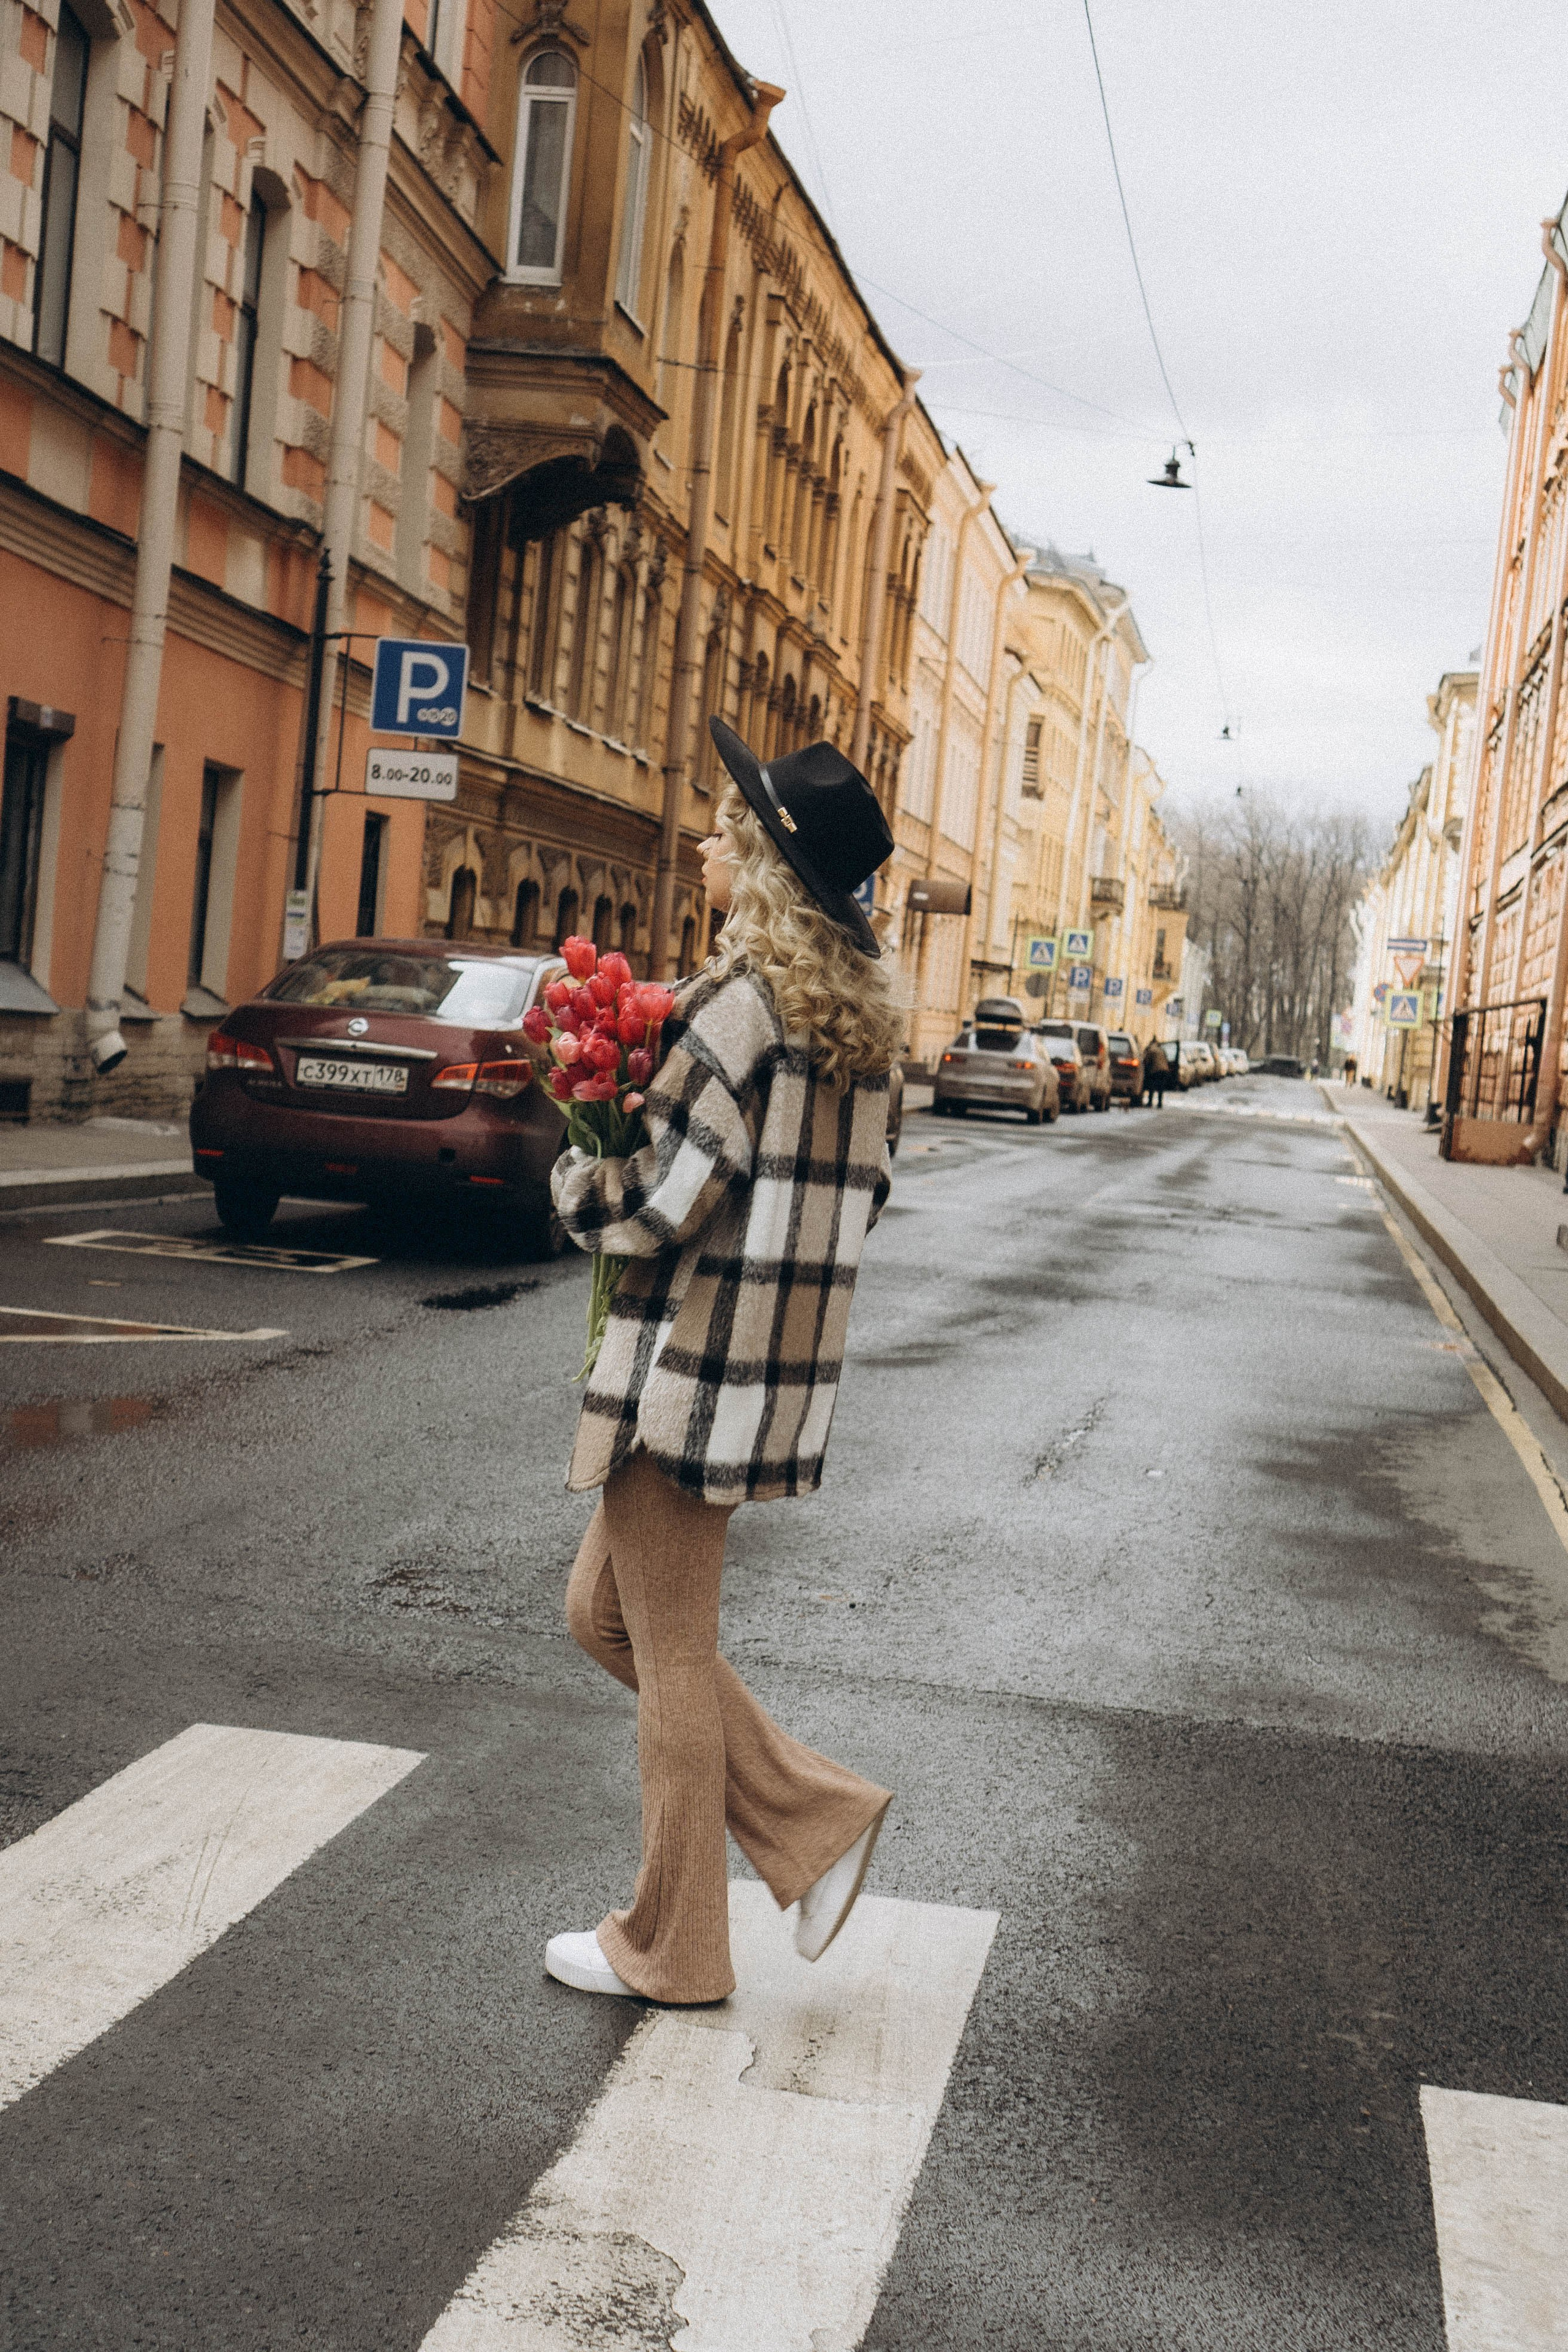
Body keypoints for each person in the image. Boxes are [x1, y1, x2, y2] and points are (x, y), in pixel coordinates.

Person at [544, 719, 901, 2005]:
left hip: (683, 1376)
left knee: (673, 1658)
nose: (704, 838)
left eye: (725, 827)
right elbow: (861, 1201)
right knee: (604, 1618)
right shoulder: (861, 1033)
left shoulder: (736, 1012)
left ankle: (676, 1946)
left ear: (761, 865)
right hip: (766, 1379)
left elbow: (660, 1201)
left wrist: (576, 1173)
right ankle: (812, 1822)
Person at [1141, 1036, 1169, 1107]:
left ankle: (1150, 1103)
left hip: (1155, 1071)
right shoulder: (1161, 1050)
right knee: (1161, 1088)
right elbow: (1166, 1059)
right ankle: (1160, 1103)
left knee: (1152, 1087)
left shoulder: (1151, 1050)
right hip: (1164, 1070)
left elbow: (1146, 1061)